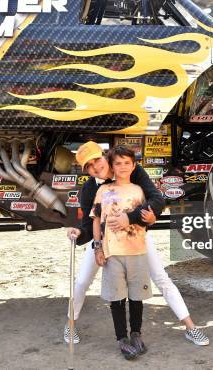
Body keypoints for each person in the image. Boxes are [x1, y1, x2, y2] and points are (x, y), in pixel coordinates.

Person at [64, 141, 209, 346]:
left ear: (105, 156)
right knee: (81, 282)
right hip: (106, 243)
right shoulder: (89, 189)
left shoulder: (130, 169)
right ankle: (70, 325)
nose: (96, 167)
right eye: (89, 166)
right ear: (85, 170)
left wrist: (131, 218)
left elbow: (156, 200)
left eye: (96, 159)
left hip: (135, 239)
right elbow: (90, 224)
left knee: (161, 278)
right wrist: (79, 232)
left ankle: (191, 327)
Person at [91, 146, 151, 359]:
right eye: (118, 163)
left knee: (137, 297)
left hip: (137, 251)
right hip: (112, 253)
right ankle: (121, 338)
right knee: (117, 298)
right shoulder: (103, 191)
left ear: (133, 166)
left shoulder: (139, 191)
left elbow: (147, 219)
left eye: (127, 163)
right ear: (111, 166)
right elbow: (97, 220)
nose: (122, 167)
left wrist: (151, 218)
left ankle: (136, 333)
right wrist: (97, 247)